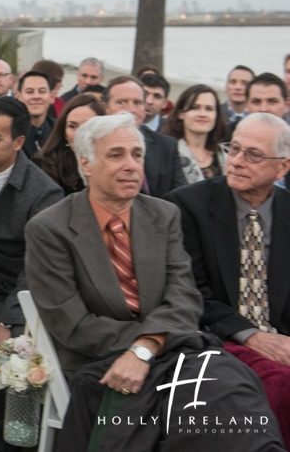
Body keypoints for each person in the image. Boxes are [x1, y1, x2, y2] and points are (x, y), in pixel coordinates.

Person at [25, 113, 282, 451]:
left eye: (137, 154)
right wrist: (138, 350)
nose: (131, 165)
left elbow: (184, 296)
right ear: (85, 163)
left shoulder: (163, 214)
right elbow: (71, 323)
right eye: (116, 155)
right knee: (193, 412)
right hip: (101, 360)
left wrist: (147, 347)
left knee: (233, 391)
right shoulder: (51, 228)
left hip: (174, 350)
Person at [166, 113, 290, 444]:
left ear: (282, 168)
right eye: (233, 149)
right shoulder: (187, 205)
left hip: (282, 343)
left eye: (253, 155)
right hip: (215, 341)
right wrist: (250, 335)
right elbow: (191, 293)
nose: (236, 161)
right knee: (279, 387)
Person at [0, 96, 63, 448]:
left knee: (6, 356)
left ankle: (11, 438)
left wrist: (7, 322)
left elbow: (34, 266)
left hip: (6, 291)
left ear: (20, 142)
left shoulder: (44, 192)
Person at [103, 75, 187, 197]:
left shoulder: (167, 146)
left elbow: (180, 196)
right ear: (106, 108)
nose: (131, 110)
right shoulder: (94, 142)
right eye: (121, 102)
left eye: (137, 103)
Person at [36, 94, 106, 195]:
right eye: (72, 126)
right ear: (63, 131)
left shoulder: (115, 163)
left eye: (88, 125)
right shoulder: (44, 165)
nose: (79, 133)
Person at [161, 84, 228, 183]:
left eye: (209, 109)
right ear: (181, 114)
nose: (202, 114)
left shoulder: (225, 156)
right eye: (195, 107)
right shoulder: (167, 153)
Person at [16, 70, 55, 158]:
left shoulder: (60, 131)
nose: (36, 96)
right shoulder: (10, 132)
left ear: (52, 97)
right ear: (18, 97)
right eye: (29, 92)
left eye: (42, 91)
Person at [223, 65, 255, 130]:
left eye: (245, 83)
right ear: (226, 86)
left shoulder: (258, 117)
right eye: (233, 82)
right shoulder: (214, 114)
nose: (238, 87)